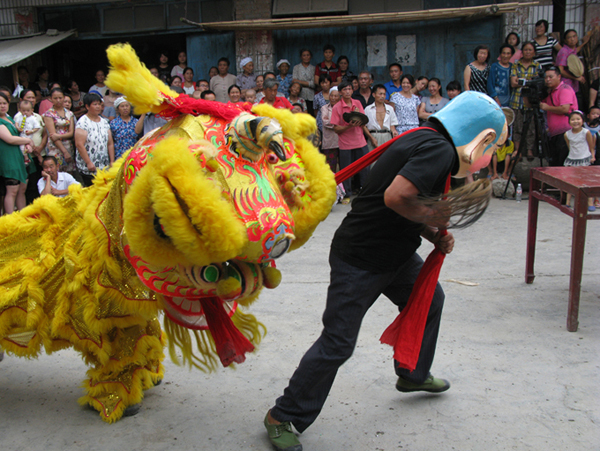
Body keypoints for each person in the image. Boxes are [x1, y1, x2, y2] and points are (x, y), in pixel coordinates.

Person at [263, 91, 508, 451]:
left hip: (394, 255)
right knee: (338, 344)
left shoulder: (423, 137)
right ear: (477, 134)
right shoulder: (438, 150)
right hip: (361, 259)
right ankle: (282, 416)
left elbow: (391, 202)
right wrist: (434, 219)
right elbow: (396, 197)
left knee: (430, 301)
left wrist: (431, 234)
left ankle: (412, 374)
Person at [331, 80, 372, 201]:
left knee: (365, 167)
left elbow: (364, 121)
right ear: (340, 92)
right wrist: (349, 125)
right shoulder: (337, 107)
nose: (347, 91)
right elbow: (336, 128)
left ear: (353, 90)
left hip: (360, 141)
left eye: (349, 89)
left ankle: (364, 191)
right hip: (345, 144)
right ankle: (347, 194)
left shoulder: (357, 103)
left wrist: (368, 134)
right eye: (344, 89)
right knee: (346, 170)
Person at [0, 92, 33, 214]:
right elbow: (9, 139)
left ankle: (22, 216)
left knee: (21, 189)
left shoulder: (8, 118)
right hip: (8, 158)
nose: (2, 106)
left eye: (4, 103)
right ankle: (11, 220)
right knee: (12, 190)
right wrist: (28, 140)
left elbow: (19, 135)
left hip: (18, 156)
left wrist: (27, 144)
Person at [509, 42, 542, 160]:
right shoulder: (515, 65)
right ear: (522, 52)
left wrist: (522, 81)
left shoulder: (537, 66)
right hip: (517, 100)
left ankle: (529, 151)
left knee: (531, 127)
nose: (528, 52)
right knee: (517, 126)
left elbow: (538, 83)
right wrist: (529, 82)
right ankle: (518, 150)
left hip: (531, 101)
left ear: (534, 52)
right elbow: (513, 83)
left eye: (530, 50)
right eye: (526, 50)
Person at [75, 93, 114, 187]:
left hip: (103, 165)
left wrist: (112, 161)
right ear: (87, 106)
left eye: (99, 104)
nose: (98, 107)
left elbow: (110, 143)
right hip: (89, 167)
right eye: (95, 104)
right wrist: (88, 162)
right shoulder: (83, 122)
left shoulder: (104, 122)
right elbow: (79, 144)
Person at [540, 66, 577, 166]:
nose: (548, 80)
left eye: (551, 77)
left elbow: (565, 109)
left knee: (563, 163)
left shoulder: (565, 89)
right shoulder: (550, 92)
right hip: (554, 134)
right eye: (546, 77)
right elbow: (538, 105)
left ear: (559, 77)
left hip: (565, 132)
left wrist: (548, 108)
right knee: (555, 163)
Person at [563, 111, 596, 210]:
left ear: (583, 121)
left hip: (584, 158)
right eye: (573, 119)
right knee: (571, 180)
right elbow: (570, 147)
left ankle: (590, 202)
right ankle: (568, 202)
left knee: (587, 181)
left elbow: (591, 146)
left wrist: (592, 156)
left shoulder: (586, 132)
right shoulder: (567, 134)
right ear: (569, 122)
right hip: (573, 159)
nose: (575, 121)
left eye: (578, 119)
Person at [42, 88, 76, 173]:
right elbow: (53, 135)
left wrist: (59, 135)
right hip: (55, 147)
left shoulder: (69, 113)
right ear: (51, 99)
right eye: (55, 98)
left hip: (68, 146)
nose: (58, 100)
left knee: (69, 173)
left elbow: (71, 133)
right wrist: (65, 152)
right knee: (56, 173)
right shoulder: (48, 114)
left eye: (60, 98)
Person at [556, 29, 590, 113]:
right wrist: (576, 78)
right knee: (569, 109)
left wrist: (584, 43)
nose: (572, 39)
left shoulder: (572, 50)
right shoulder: (563, 51)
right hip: (566, 85)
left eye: (574, 36)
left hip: (574, 86)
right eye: (569, 37)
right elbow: (561, 71)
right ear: (565, 40)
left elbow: (576, 50)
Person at [365, 84, 398, 153]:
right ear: (374, 95)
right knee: (373, 161)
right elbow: (364, 126)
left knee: (387, 159)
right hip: (373, 135)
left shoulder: (390, 108)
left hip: (387, 135)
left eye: (384, 94)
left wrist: (394, 132)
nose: (382, 96)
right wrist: (371, 138)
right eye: (380, 94)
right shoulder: (368, 109)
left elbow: (392, 125)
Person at [320, 87, 341, 173]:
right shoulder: (324, 108)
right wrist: (340, 124)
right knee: (330, 168)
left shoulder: (342, 107)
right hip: (329, 142)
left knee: (343, 167)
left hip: (342, 142)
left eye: (335, 96)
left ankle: (343, 186)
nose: (333, 98)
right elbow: (326, 122)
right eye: (331, 95)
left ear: (339, 97)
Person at [14, 100, 41, 165]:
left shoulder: (33, 118)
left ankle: (28, 151)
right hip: (22, 136)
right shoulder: (19, 117)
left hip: (29, 137)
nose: (25, 112)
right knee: (22, 147)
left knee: (29, 148)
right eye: (23, 111)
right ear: (20, 110)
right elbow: (16, 123)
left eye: (28, 110)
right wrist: (18, 128)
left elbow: (37, 127)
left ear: (32, 110)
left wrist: (31, 131)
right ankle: (26, 158)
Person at [293, 49, 316, 114]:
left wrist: (300, 81)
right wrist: (308, 83)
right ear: (301, 57)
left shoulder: (314, 68)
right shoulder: (296, 68)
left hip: (311, 96)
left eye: (308, 55)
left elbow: (314, 84)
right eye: (304, 55)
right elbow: (294, 82)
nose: (306, 57)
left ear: (310, 56)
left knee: (310, 114)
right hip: (300, 94)